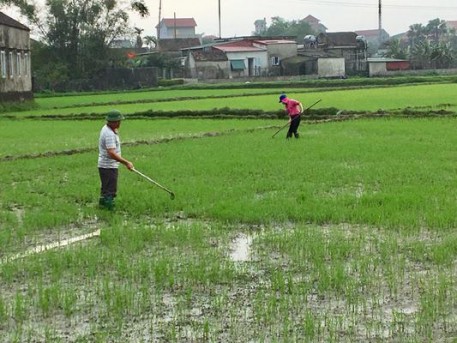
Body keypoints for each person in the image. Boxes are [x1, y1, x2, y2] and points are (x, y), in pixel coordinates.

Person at [98, 110, 134, 210]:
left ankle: (102, 207)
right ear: (114, 122)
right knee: (110, 191)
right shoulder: (109, 133)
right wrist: (126, 162)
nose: (120, 123)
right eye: (118, 121)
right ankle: (110, 210)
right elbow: (111, 153)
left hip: (104, 166)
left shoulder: (107, 129)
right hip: (108, 166)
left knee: (105, 189)